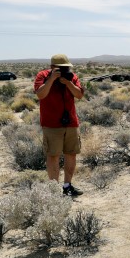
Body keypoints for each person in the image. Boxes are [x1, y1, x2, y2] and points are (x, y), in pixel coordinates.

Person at [34, 54, 85, 196]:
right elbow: (40, 94)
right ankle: (54, 190)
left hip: (71, 122)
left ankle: (67, 185)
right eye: (61, 68)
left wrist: (68, 83)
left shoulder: (71, 76)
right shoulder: (42, 76)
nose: (65, 70)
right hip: (51, 124)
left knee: (71, 154)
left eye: (66, 67)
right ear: (52, 67)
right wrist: (52, 79)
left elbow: (79, 95)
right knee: (53, 155)